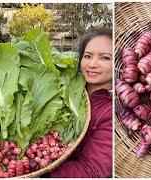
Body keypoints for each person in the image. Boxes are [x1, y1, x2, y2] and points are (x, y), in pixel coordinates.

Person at [49, 28, 113, 178]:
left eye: (104, 58)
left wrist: (40, 173)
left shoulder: (110, 113)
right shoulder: (65, 87)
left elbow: (91, 171)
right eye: (88, 56)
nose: (92, 64)